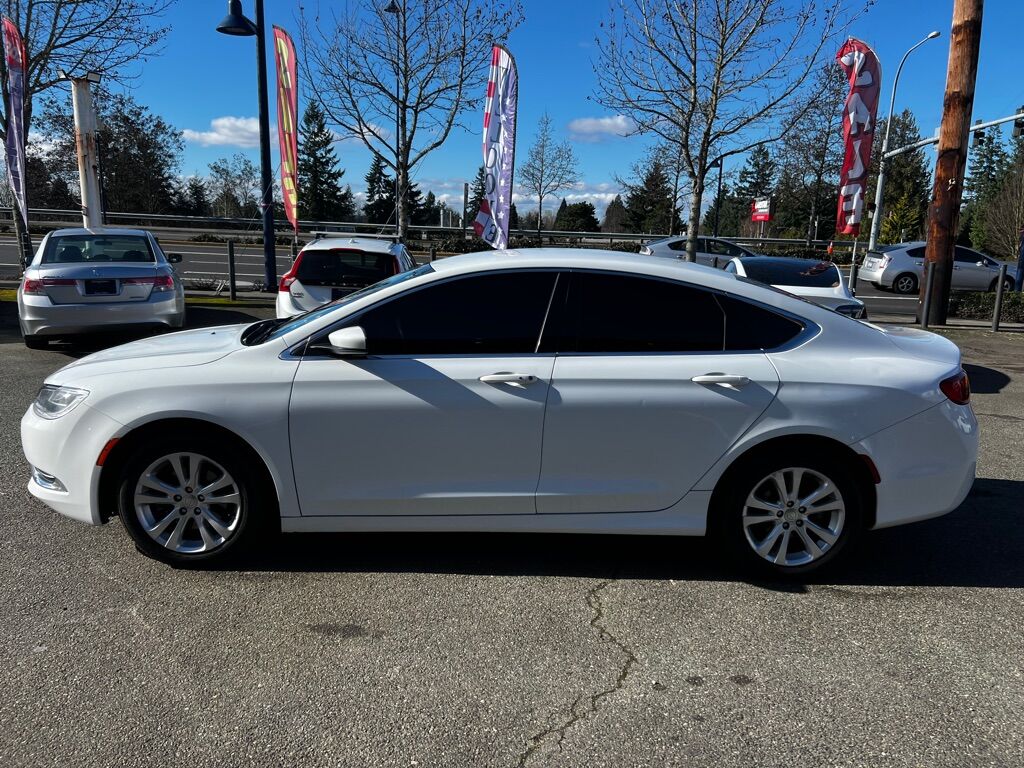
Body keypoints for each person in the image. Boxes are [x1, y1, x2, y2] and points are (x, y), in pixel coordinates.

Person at [1016, 227, 1024, 292]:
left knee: (1019, 279)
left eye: (1021, 230)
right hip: (1021, 263)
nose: (1020, 232)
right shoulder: (1021, 238)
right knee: (1018, 281)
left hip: (1021, 263)